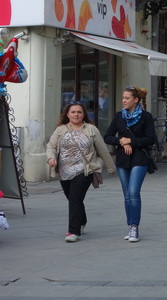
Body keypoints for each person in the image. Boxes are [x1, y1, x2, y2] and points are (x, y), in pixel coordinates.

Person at [47, 102, 116, 242]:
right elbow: (51, 146)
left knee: (74, 198)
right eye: (73, 112)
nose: (76, 114)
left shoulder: (91, 129)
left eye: (79, 112)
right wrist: (51, 158)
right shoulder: (60, 130)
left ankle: (73, 231)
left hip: (85, 170)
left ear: (84, 114)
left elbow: (102, 149)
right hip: (64, 171)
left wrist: (111, 168)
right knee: (74, 199)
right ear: (67, 114)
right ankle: (82, 220)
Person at [104, 86, 157, 242]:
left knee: (133, 192)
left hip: (140, 157)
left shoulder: (146, 116)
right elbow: (107, 136)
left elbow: (151, 139)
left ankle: (134, 227)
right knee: (127, 195)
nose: (124, 100)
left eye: (127, 98)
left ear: (136, 100)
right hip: (122, 158)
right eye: (123, 98)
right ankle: (129, 226)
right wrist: (120, 141)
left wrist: (131, 141)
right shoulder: (119, 116)